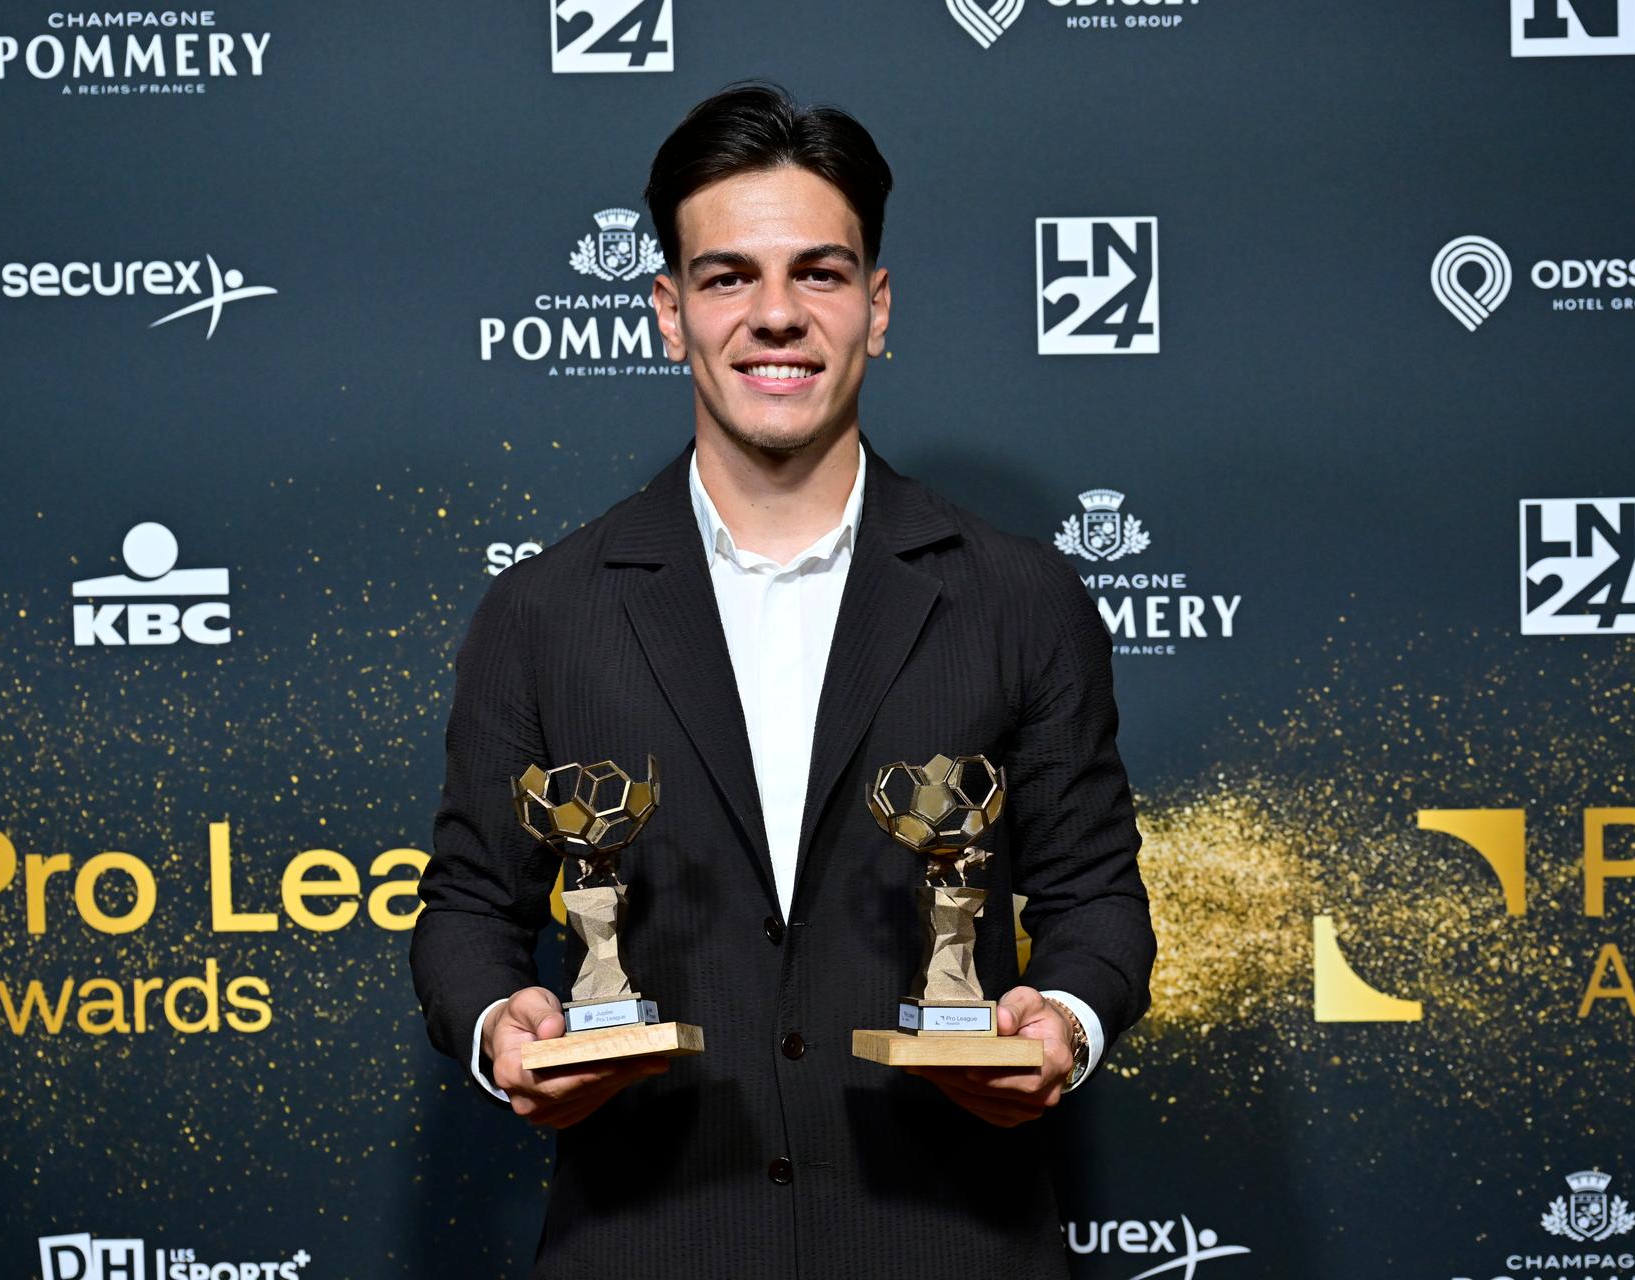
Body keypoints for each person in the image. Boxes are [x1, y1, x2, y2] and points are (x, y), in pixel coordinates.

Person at [410, 82, 1155, 1279]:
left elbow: (1098, 900)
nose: (775, 316)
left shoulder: (1021, 598)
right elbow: (466, 910)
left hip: (951, 1246)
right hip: (647, 1247)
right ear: (668, 313)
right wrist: (508, 1028)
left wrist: (1061, 1023)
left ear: (876, 305)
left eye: (818, 273)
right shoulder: (543, 609)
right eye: (726, 278)